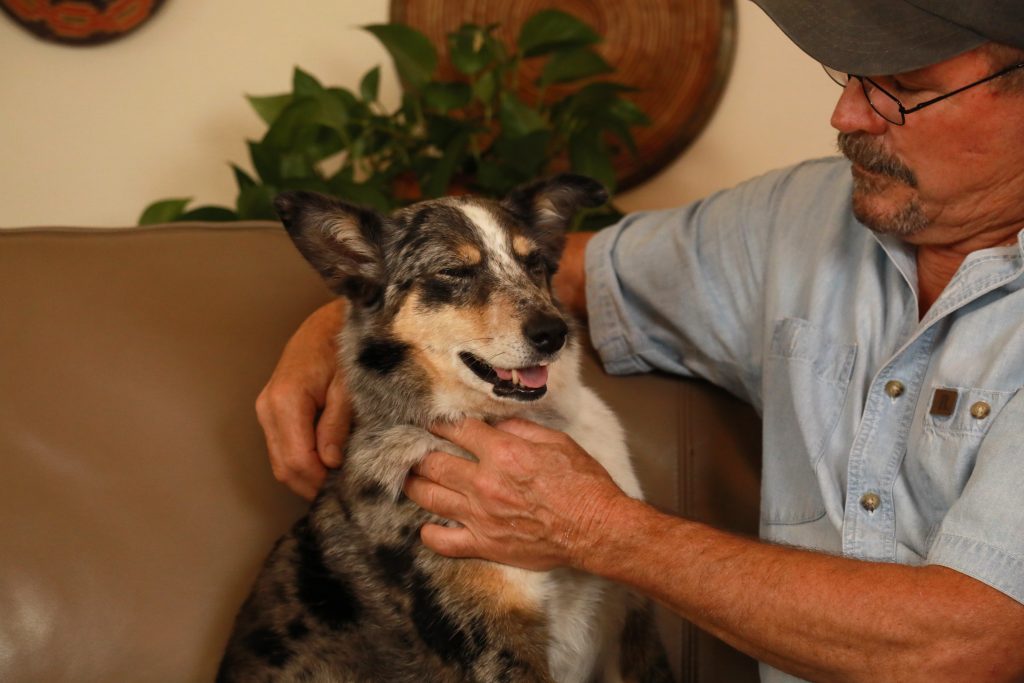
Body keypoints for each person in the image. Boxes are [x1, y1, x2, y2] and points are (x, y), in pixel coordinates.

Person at [255, 1, 1024, 680]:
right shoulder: (797, 221)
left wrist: (598, 529)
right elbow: (555, 276)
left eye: (906, 87)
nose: (847, 117)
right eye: (850, 76)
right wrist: (330, 325)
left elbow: (969, 648)